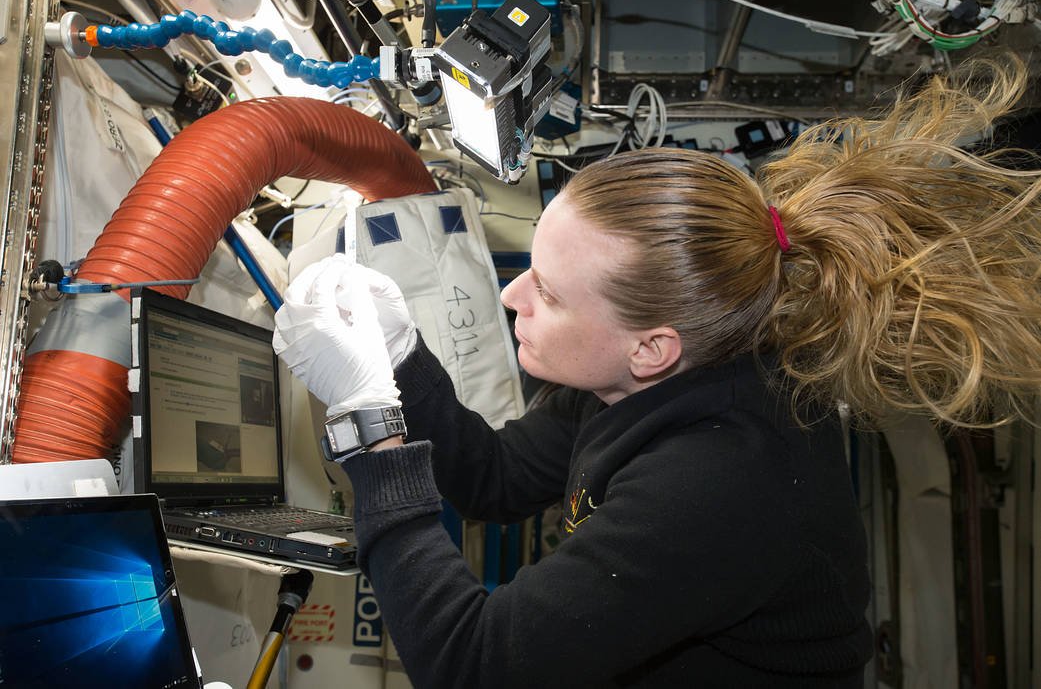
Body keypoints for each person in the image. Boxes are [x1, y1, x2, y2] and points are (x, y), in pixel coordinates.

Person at [272, 56, 1041, 688]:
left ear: (652, 346)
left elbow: (474, 664)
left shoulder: (722, 480)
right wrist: (403, 356)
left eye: (547, 291)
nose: (512, 297)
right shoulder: (635, 383)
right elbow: (495, 479)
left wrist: (370, 427)